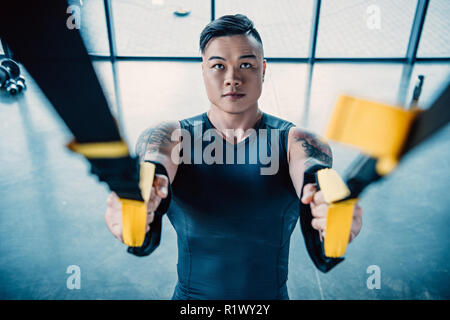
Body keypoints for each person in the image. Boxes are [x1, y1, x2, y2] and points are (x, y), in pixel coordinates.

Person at [105, 14, 363, 300]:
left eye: (246, 65)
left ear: (263, 70)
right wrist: (134, 200)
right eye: (218, 66)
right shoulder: (173, 135)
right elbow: (153, 165)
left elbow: (314, 175)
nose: (232, 78)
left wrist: (332, 207)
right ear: (203, 71)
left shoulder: (297, 140)